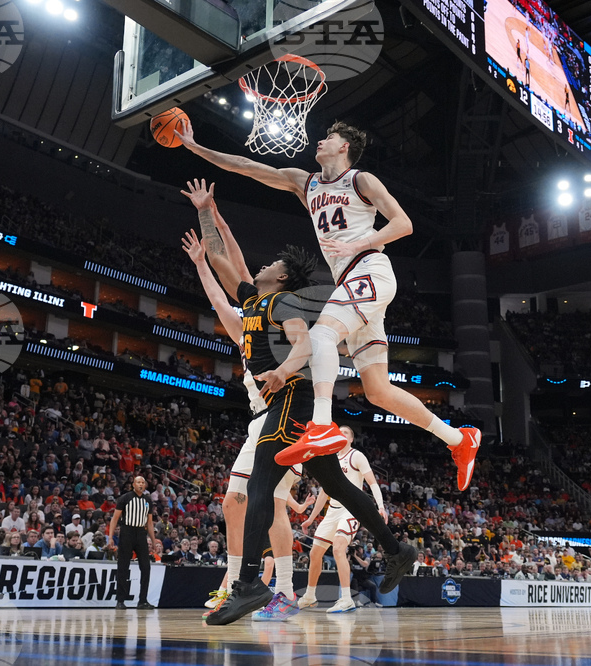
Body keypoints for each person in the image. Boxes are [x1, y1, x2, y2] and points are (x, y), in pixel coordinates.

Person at [176, 121, 480, 492]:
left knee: (322, 333)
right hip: (352, 282)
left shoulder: (361, 180)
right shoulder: (306, 183)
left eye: (329, 137)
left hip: (369, 269)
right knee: (378, 391)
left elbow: (404, 224)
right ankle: (459, 440)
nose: (320, 140)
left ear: (344, 148)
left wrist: (360, 243)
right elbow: (246, 166)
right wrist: (195, 147)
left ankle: (320, 425)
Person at [180, 186, 416, 626]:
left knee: (259, 488)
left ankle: (249, 584)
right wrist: (207, 211)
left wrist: (282, 372)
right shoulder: (254, 299)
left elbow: (305, 344)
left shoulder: (284, 302)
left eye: (271, 265)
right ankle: (397, 549)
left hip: (292, 399)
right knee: (338, 485)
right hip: (290, 401)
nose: (262, 265)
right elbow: (219, 255)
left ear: (284, 277)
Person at [181, 210, 311, 619]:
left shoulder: (270, 318)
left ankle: (262, 586)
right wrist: (205, 255)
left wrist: (218, 222)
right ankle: (257, 587)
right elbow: (223, 294)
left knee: (250, 501)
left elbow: (235, 272)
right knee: (249, 503)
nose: (258, 269)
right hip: (270, 418)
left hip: (283, 412)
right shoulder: (246, 329)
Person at [299, 425, 387, 613]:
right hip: (332, 511)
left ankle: (346, 599)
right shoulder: (330, 459)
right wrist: (310, 519)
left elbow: (372, 482)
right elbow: (324, 493)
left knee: (339, 548)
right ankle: (310, 595)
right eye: (339, 432)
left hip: (351, 509)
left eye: (345, 432)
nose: (341, 434)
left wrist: (380, 506)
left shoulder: (356, 456)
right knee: (315, 553)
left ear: (351, 439)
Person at [108, 475, 156, 610]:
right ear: (133, 485)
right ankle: (120, 600)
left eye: (143, 482)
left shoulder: (148, 500)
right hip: (127, 532)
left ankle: (142, 600)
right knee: (123, 566)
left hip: (141, 533)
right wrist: (110, 537)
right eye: (138, 482)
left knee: (146, 567)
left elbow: (150, 522)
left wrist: (153, 541)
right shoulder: (125, 498)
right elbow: (115, 518)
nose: (141, 484)